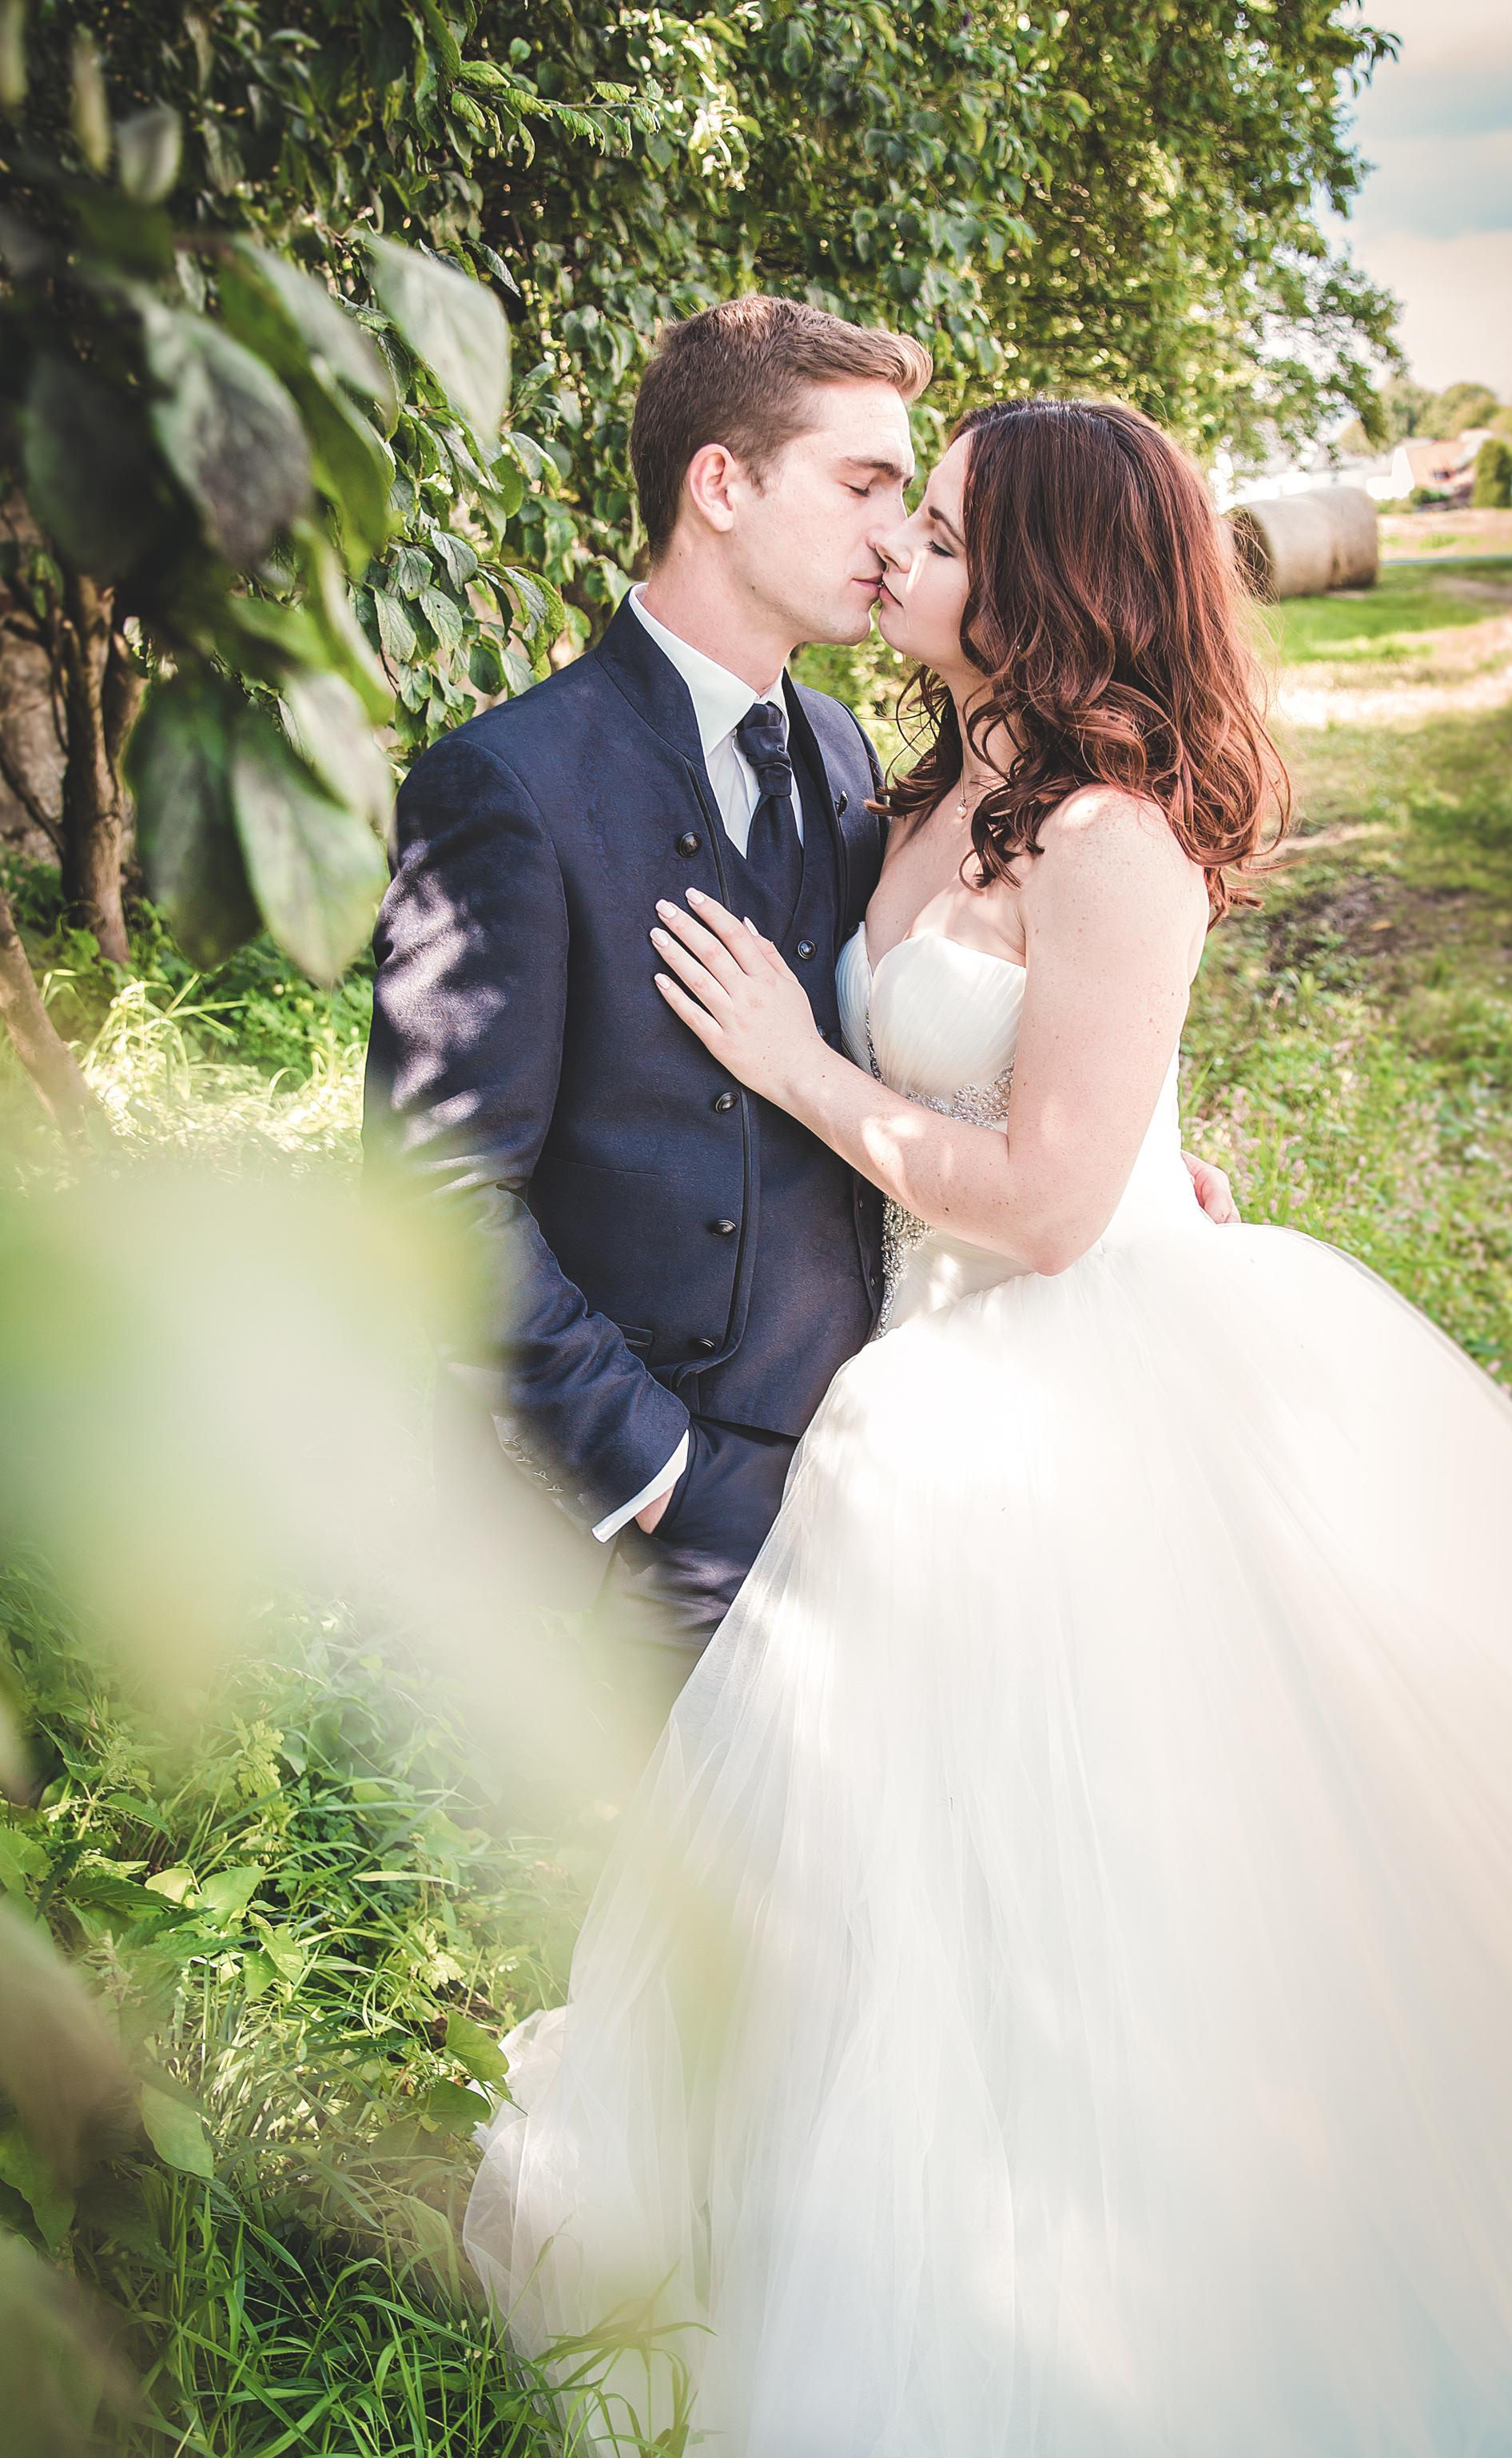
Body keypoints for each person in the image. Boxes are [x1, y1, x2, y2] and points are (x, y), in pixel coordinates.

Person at [465, 396, 1512, 2458]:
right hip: (926, 1378)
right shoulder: (926, 784)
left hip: (1078, 1363)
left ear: (1038, 575)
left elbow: (1033, 1192)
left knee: (1119, 1847)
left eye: (937, 526)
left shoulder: (1117, 839)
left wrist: (798, 1061)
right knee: (878, 1856)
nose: (899, 548)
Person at [363, 297, 1239, 1693]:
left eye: (919, 507)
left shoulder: (845, 752)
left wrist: (1118, 1156)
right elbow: (432, 1197)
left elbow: (940, 1023)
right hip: (687, 1498)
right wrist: (657, 1473)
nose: (895, 538)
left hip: (910, 1447)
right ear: (721, 483)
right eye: (866, 486)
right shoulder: (511, 784)